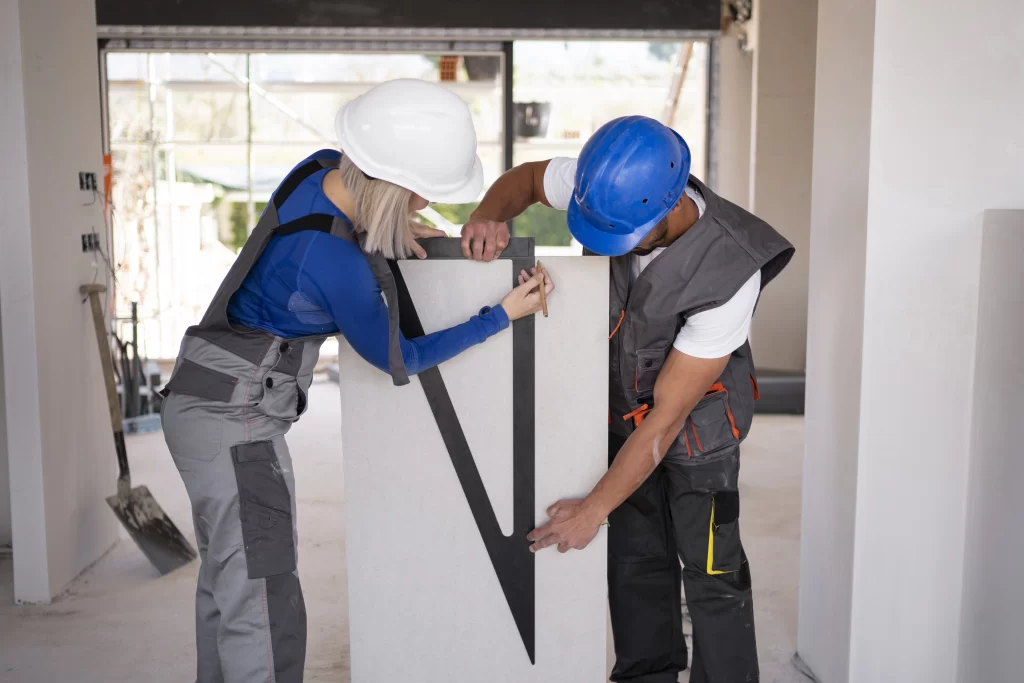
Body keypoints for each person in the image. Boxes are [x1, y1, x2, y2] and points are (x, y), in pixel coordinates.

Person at [160, 78, 553, 683]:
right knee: (264, 601)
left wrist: (392, 230)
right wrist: (499, 316)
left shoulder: (318, 171)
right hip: (236, 423)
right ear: (392, 184)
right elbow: (400, 359)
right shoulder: (334, 262)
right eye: (420, 198)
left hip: (202, 397)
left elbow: (341, 228)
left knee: (229, 586)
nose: (424, 207)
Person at [462, 115, 794, 683]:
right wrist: (487, 215)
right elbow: (525, 179)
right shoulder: (607, 185)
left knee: (712, 573)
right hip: (621, 412)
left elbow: (667, 420)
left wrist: (592, 510)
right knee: (636, 563)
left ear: (668, 208)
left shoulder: (731, 269)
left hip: (699, 431)